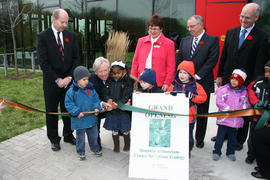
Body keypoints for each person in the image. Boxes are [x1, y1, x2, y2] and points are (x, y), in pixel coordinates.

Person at [215, 3, 269, 151]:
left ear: (256, 17)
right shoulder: (231, 32)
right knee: (225, 107)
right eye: (242, 16)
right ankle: (224, 133)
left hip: (247, 82)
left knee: (242, 110)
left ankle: (239, 139)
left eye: (247, 17)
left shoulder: (262, 37)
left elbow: (259, 63)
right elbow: (224, 56)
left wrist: (254, 84)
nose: (243, 20)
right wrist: (219, 75)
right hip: (228, 79)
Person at [37, 8, 80, 151]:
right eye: (62, 22)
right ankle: (54, 139)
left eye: (66, 22)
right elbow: (44, 63)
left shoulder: (70, 36)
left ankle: (68, 134)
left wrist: (68, 77)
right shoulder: (43, 37)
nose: (64, 25)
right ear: (54, 20)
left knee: (68, 109)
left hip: (68, 81)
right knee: (52, 111)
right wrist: (57, 80)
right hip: (51, 83)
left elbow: (76, 59)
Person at [177, 15, 219, 148]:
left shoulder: (212, 40)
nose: (189, 29)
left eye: (192, 26)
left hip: (203, 82)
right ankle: (184, 137)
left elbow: (212, 60)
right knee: (185, 112)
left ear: (201, 25)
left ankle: (199, 139)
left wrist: (197, 76)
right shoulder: (184, 40)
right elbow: (180, 60)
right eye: (188, 26)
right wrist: (179, 77)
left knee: (202, 113)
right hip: (184, 85)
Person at [166, 60, 207, 157]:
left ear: (190, 74)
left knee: (188, 137)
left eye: (185, 73)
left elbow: (203, 97)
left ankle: (188, 151)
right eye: (180, 72)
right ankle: (176, 151)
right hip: (176, 115)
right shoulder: (174, 84)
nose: (182, 75)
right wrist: (170, 94)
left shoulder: (196, 86)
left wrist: (193, 96)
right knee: (176, 135)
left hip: (189, 116)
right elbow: (167, 94)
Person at [65, 66, 102, 160]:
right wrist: (76, 112)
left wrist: (97, 108)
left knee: (94, 135)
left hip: (91, 118)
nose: (86, 81)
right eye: (84, 79)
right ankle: (81, 152)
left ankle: (95, 149)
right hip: (79, 119)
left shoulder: (91, 89)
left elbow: (96, 99)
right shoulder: (72, 91)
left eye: (87, 79)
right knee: (80, 137)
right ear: (77, 79)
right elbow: (69, 104)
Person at [213, 69, 251, 161]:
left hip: (235, 121)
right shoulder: (224, 90)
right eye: (232, 79)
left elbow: (246, 104)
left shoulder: (244, 92)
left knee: (233, 138)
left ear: (241, 81)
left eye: (237, 80)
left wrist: (241, 110)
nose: (233, 81)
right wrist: (229, 109)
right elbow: (219, 102)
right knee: (220, 137)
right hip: (224, 119)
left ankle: (230, 152)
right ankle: (217, 151)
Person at [131, 13, 175, 92]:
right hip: (141, 82)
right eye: (150, 28)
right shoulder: (141, 41)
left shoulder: (169, 44)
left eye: (155, 29)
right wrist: (133, 78)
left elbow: (171, 66)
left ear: (161, 29)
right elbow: (135, 62)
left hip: (159, 83)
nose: (152, 31)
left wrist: (167, 82)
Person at [103, 61, 134, 152]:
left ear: (123, 71)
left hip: (122, 110)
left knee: (125, 129)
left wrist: (119, 103)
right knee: (114, 129)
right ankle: (116, 146)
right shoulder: (109, 81)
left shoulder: (128, 82)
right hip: (113, 111)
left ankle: (127, 144)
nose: (116, 75)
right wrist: (108, 100)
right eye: (114, 73)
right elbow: (106, 93)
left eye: (118, 73)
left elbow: (128, 95)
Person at [245, 60, 270, 164]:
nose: (267, 74)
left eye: (269, 72)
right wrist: (256, 102)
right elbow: (250, 89)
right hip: (257, 116)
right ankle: (251, 154)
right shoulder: (259, 82)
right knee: (253, 137)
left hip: (267, 119)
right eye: (266, 71)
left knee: (264, 140)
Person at [90, 57, 112, 149]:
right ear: (95, 72)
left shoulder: (114, 76)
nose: (103, 74)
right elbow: (92, 98)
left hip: (110, 103)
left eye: (105, 70)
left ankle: (121, 130)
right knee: (95, 117)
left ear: (109, 69)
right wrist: (103, 103)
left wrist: (111, 100)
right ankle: (95, 139)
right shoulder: (91, 80)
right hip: (96, 105)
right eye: (100, 71)